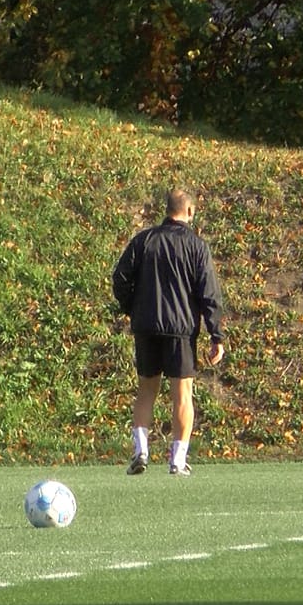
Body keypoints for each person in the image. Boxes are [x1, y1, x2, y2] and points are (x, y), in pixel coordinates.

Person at [112, 189, 225, 476]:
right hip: (181, 330)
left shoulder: (144, 239)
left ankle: (140, 451)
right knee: (182, 392)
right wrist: (216, 334)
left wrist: (132, 308)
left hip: (147, 325)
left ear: (167, 210)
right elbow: (209, 293)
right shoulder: (196, 246)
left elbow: (121, 277)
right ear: (189, 212)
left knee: (146, 390)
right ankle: (177, 459)